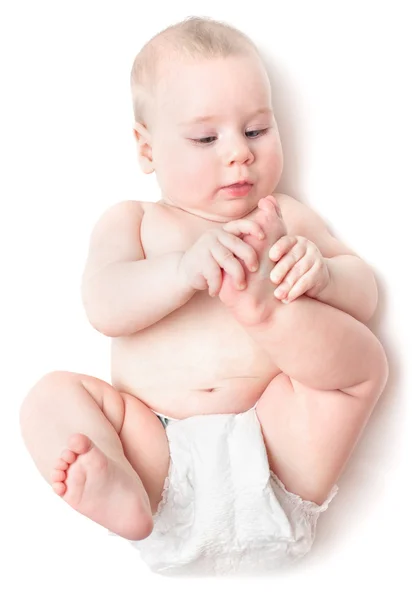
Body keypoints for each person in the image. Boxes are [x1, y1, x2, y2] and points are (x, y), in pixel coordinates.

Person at [19, 16, 389, 576]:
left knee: (364, 362)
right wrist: (182, 271)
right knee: (48, 397)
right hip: (158, 464)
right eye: (205, 138)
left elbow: (365, 294)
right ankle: (115, 490)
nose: (238, 153)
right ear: (147, 150)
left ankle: (262, 311)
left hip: (278, 449)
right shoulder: (134, 222)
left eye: (257, 130)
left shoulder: (284, 216)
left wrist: (326, 276)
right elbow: (104, 306)